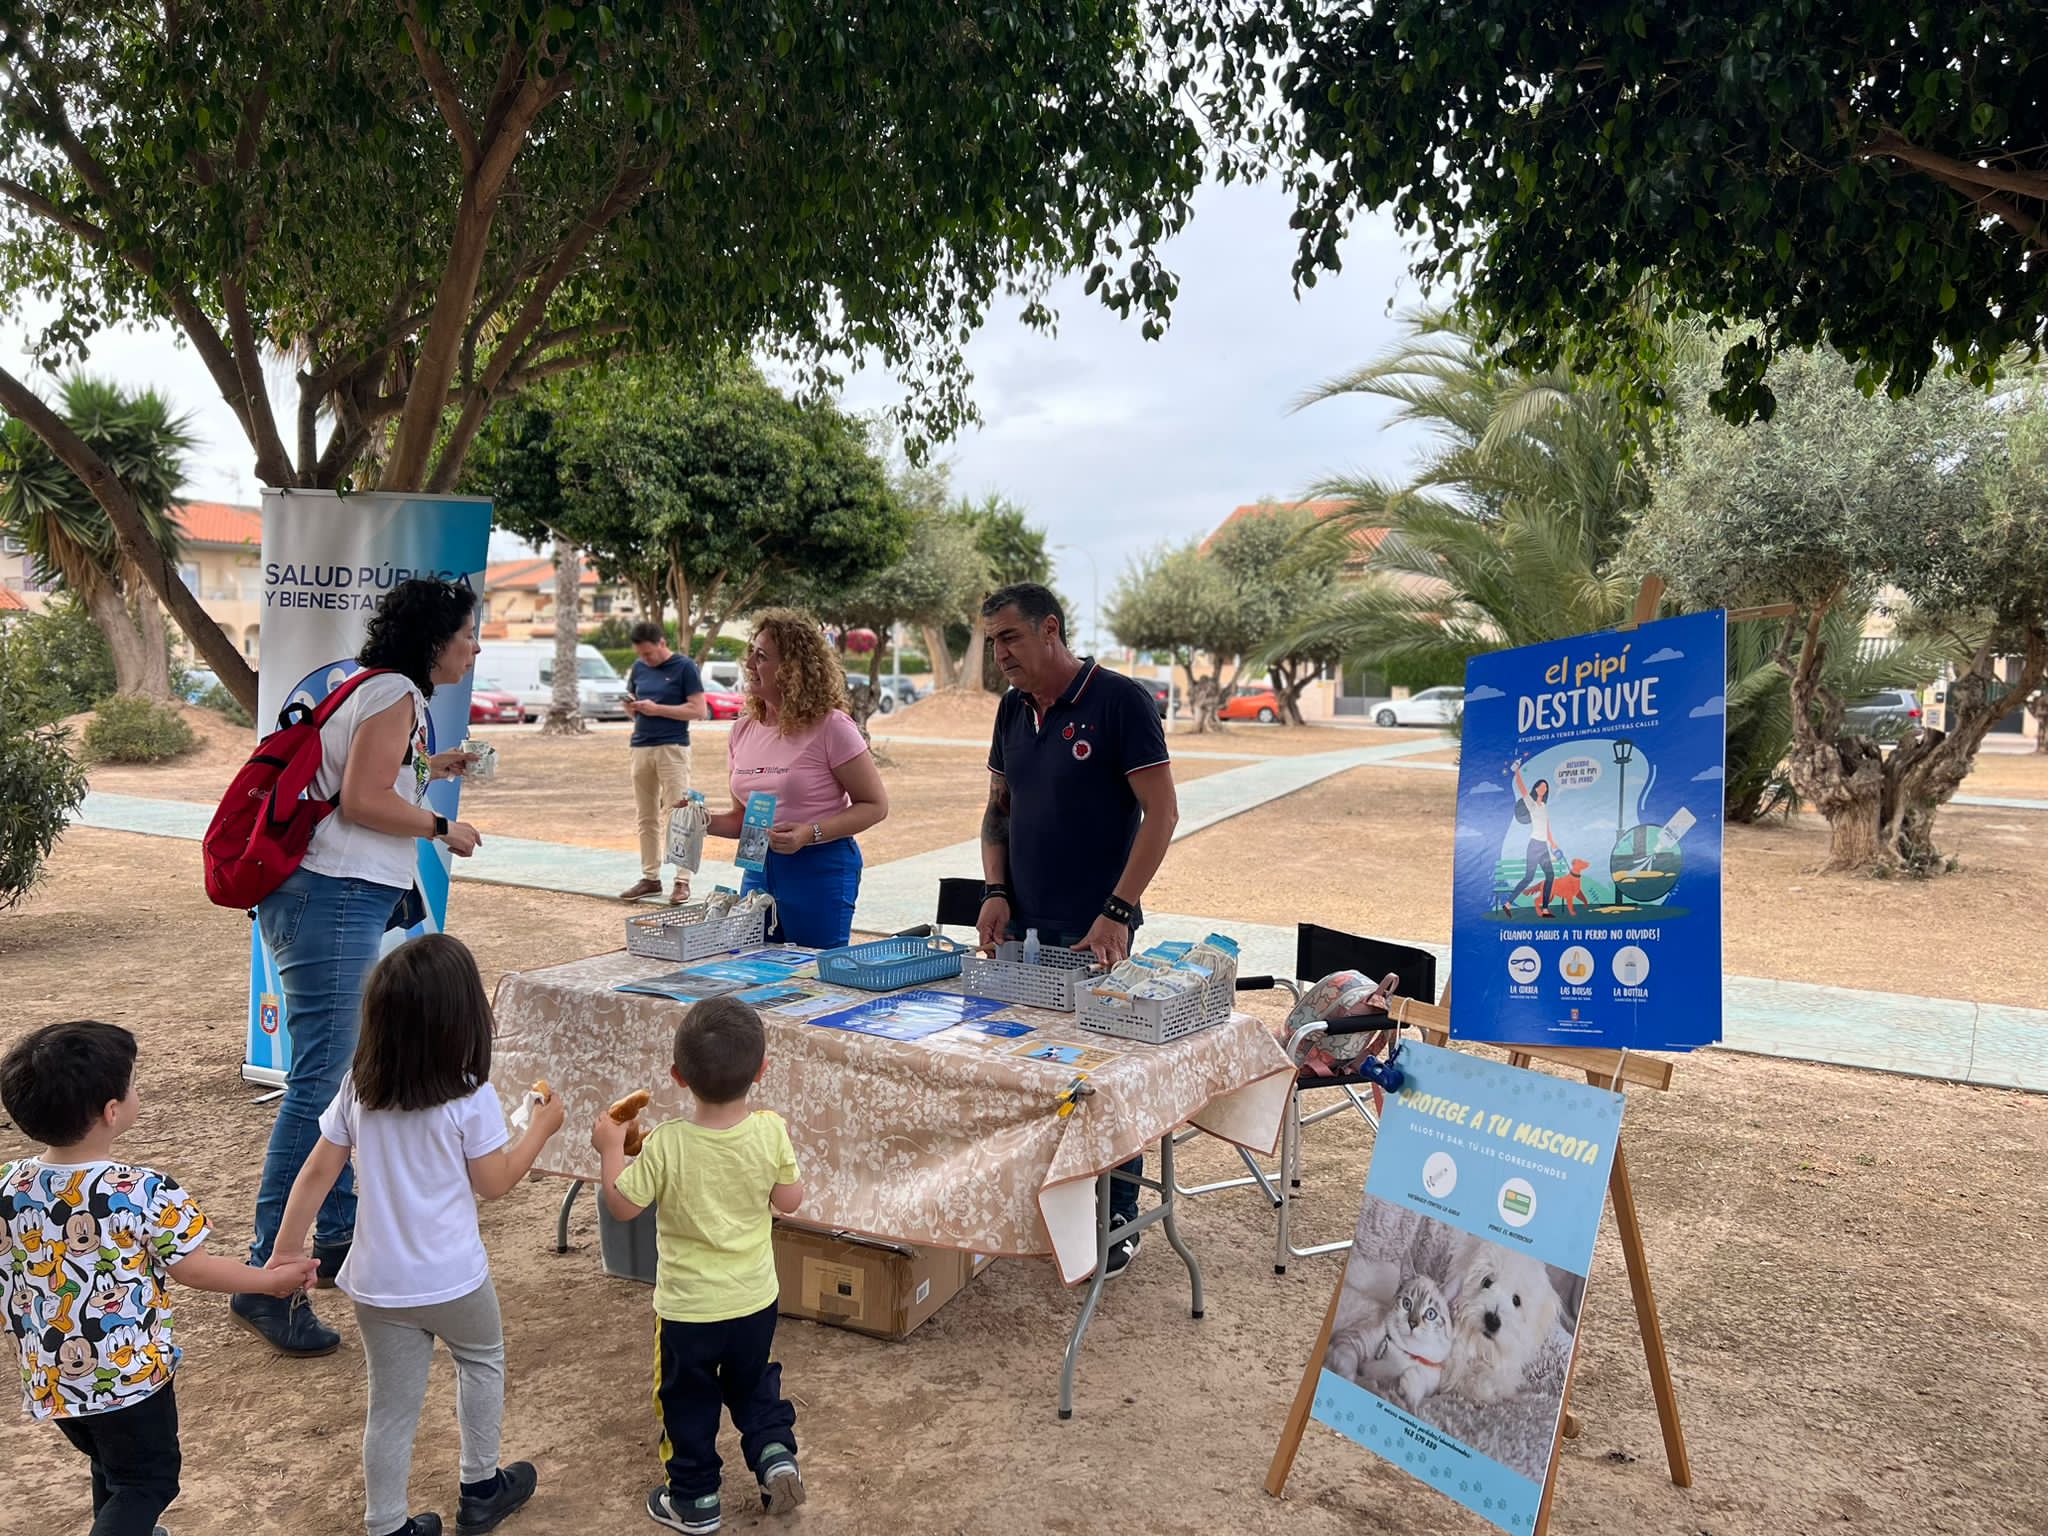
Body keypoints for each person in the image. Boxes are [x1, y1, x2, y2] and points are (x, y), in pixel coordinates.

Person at [237, 579, 485, 1357]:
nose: (474, 648)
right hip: (334, 896)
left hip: (329, 897)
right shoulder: (395, 693)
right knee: (322, 1085)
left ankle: (336, 1237)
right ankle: (268, 1278)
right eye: (467, 635)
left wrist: (432, 765)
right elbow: (361, 801)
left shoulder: (377, 689)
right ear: (435, 639)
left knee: (340, 1074)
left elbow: (366, 778)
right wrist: (442, 824)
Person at [271, 934, 562, 1536]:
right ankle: (480, 1488)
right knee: (482, 1361)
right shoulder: (470, 1094)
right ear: (465, 1018)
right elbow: (495, 1183)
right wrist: (540, 1128)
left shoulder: (359, 1088)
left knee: (390, 1409)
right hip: (454, 1278)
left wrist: (286, 1249)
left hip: (377, 1282)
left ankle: (386, 1524)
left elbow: (317, 1171)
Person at [0, 1020, 320, 1536]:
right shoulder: (142, 1191)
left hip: (51, 1376)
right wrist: (269, 1282)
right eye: (133, 1083)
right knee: (147, 1481)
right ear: (111, 1111)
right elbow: (194, 1268)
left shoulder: (9, 1184)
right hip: (128, 1379)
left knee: (112, 1466)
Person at [974, 583, 1178, 1276]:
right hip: (1023, 931)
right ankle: (1049, 1199)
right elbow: (998, 808)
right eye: (993, 642)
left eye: (1010, 637)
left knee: (1105, 1077)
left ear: (1050, 629)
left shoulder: (1120, 702)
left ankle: (1118, 1213)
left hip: (1098, 932)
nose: (1000, 655)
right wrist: (995, 891)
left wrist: (1118, 909)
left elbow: (1162, 814)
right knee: (1032, 1072)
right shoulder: (1011, 708)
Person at [592, 997, 805, 1535]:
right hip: (754, 1300)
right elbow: (790, 1200)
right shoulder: (770, 1131)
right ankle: (775, 1453)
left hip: (688, 1311)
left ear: (678, 1077)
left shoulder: (667, 1144)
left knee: (686, 1400)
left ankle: (694, 1500)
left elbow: (622, 1205)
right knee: (754, 1383)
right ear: (762, 1070)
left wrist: (610, 1148)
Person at [708, 609, 887, 949]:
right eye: (751, 653)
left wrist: (810, 833)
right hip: (758, 868)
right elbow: (743, 817)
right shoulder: (742, 729)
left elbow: (875, 805)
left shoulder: (832, 727)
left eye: (761, 656)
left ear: (792, 669)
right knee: (749, 966)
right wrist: (701, 822)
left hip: (820, 869)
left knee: (810, 973)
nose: (749, 664)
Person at [619, 621, 708, 905]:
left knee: (679, 813)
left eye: (649, 653)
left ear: (662, 643)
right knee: (645, 815)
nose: (645, 659)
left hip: (672, 748)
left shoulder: (684, 667)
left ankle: (683, 880)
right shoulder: (639, 668)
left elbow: (698, 709)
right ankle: (650, 877)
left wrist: (656, 709)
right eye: (640, 654)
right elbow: (633, 709)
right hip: (641, 745)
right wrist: (632, 707)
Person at [1503, 760, 1563, 918]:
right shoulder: (1531, 803)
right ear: (1536, 788)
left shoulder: (1544, 806)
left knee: (1550, 876)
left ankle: (1545, 909)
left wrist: (1553, 843)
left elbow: (1547, 827)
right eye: (1541, 786)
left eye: (1546, 787)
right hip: (1534, 846)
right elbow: (1522, 788)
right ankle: (1508, 904)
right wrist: (1517, 771)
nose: (1544, 788)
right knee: (1529, 877)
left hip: (1543, 847)